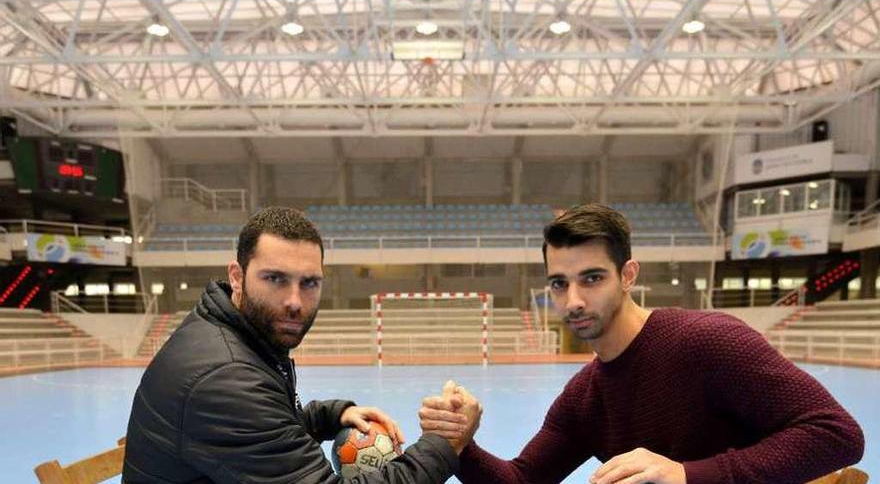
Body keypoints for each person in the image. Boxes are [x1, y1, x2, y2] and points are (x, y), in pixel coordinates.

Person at [419, 203, 865, 484]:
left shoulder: (707, 341)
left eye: (591, 278)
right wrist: (460, 444)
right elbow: (521, 478)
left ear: (628, 275)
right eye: (559, 284)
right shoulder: (584, 398)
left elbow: (838, 435)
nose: (573, 300)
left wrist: (688, 474)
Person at [123, 207, 476, 483]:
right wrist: (444, 445)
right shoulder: (225, 378)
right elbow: (247, 414)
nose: (294, 301)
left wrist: (331, 414)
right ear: (237, 276)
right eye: (275, 279)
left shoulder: (229, 334)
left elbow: (263, 431)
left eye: (309, 283)